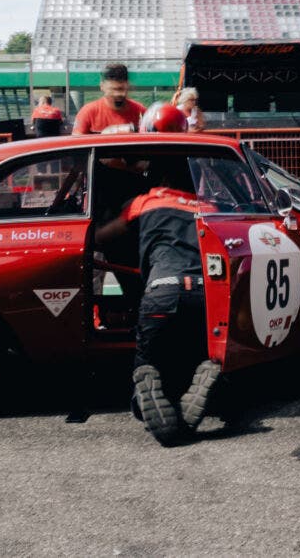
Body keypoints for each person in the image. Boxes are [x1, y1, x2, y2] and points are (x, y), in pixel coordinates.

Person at [97, 102, 219, 445]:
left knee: (148, 364)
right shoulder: (207, 208)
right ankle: (204, 378)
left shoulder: (145, 202)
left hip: (160, 293)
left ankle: (147, 395)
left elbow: (103, 236)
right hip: (205, 295)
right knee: (197, 352)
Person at [72, 62, 147, 134]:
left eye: (121, 89)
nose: (117, 94)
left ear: (128, 86)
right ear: (102, 86)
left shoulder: (140, 111)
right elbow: (76, 139)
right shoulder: (88, 112)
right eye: (112, 90)